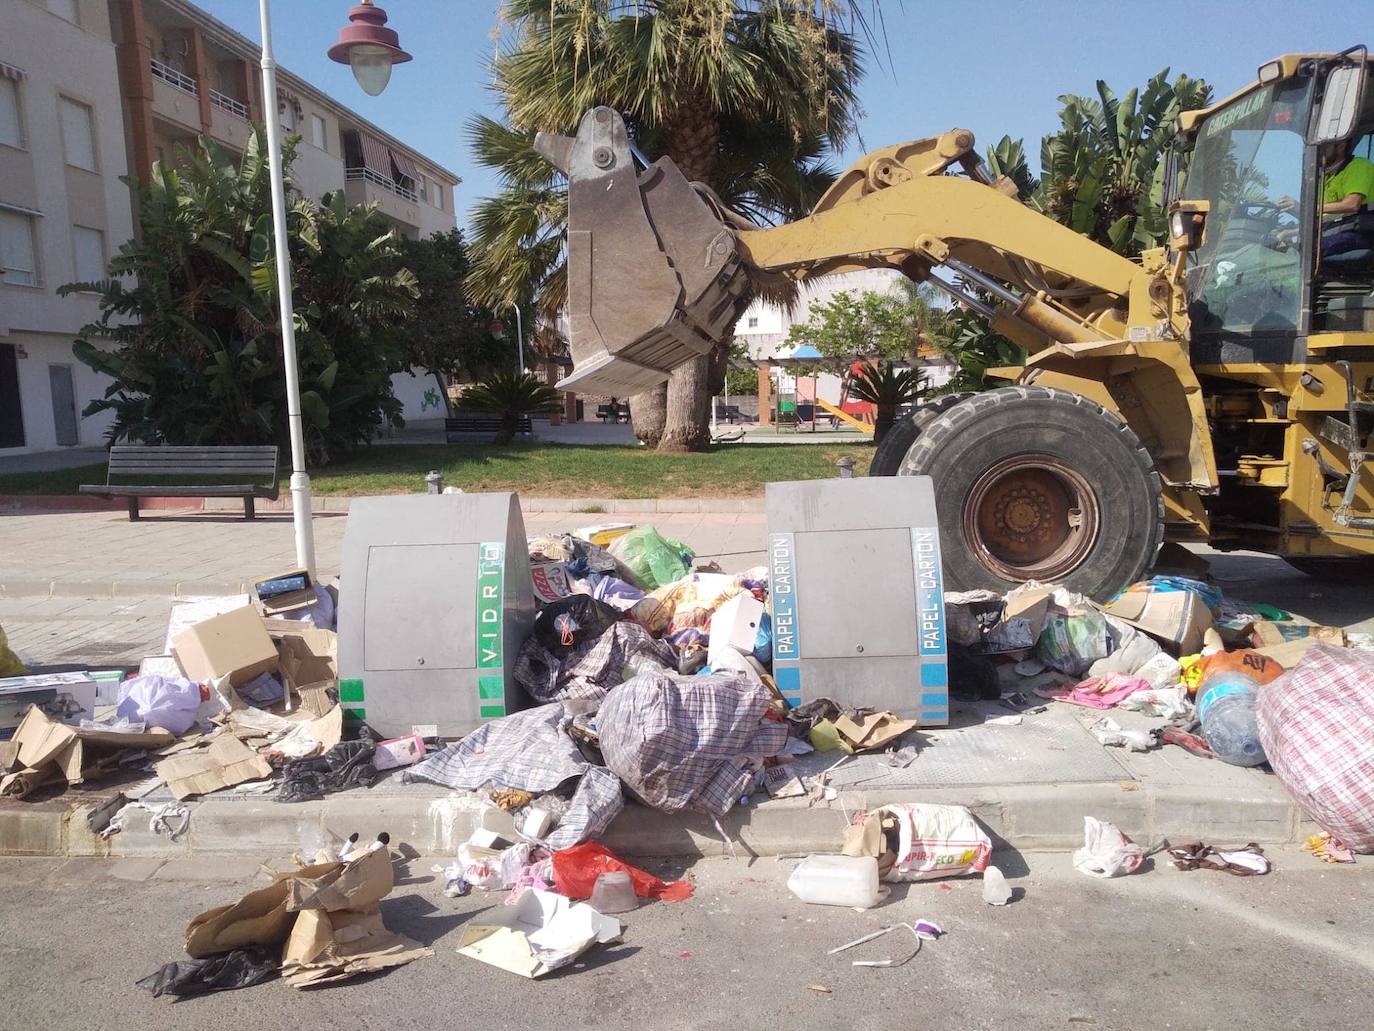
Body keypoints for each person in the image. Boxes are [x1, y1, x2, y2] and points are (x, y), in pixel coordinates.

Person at [1279, 137, 1374, 256]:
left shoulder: (1359, 166)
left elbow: (1352, 204)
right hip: (1334, 234)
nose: (1317, 152)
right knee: (1277, 247)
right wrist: (1288, 233)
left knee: (1306, 253)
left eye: (1323, 147)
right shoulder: (1324, 177)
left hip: (1361, 234)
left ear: (1340, 146)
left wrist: (1306, 208)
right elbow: (1324, 220)